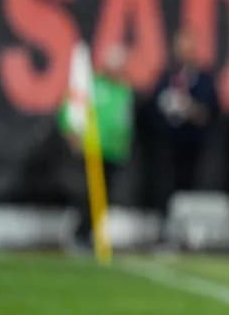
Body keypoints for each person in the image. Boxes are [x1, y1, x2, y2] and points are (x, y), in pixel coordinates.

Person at [58, 44, 134, 249]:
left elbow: (125, 122)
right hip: (91, 150)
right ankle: (79, 234)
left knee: (105, 198)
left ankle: (88, 234)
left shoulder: (125, 90)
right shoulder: (91, 85)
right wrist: (72, 132)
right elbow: (71, 108)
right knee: (88, 195)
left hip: (114, 153)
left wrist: (123, 146)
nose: (118, 67)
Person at [149, 28, 220, 219]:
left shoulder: (204, 78)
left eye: (187, 46)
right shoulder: (166, 77)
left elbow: (211, 113)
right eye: (180, 46)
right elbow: (152, 110)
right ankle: (164, 227)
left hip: (194, 147)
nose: (183, 50)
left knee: (189, 188)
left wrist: (189, 107)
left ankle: (188, 228)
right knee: (163, 187)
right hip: (167, 147)